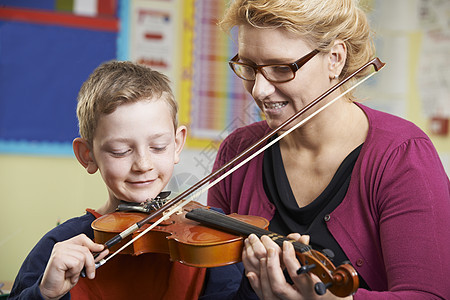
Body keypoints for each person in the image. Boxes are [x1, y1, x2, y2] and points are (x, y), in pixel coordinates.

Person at [206, 0, 450, 299]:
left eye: (281, 68)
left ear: (335, 58)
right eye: (248, 67)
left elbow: (429, 295)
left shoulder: (403, 156)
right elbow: (215, 286)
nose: (259, 90)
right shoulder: (239, 151)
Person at [9, 61, 207, 299]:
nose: (143, 165)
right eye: (120, 151)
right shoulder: (59, 245)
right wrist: (45, 294)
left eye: (158, 147)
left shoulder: (207, 242)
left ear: (177, 145)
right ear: (87, 156)